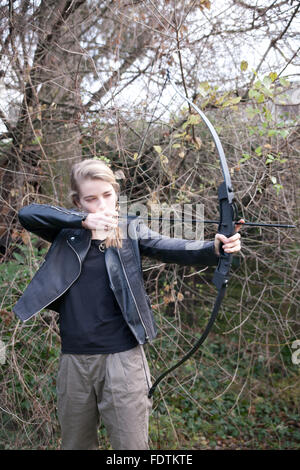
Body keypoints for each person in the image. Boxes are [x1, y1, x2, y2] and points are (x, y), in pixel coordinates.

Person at [13, 158, 242, 450]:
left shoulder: (130, 230)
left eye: (107, 195)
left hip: (124, 361)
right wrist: (82, 221)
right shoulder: (66, 233)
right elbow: (27, 213)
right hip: (75, 361)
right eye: (91, 199)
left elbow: (172, 247)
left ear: (116, 194)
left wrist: (215, 247)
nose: (102, 205)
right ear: (78, 201)